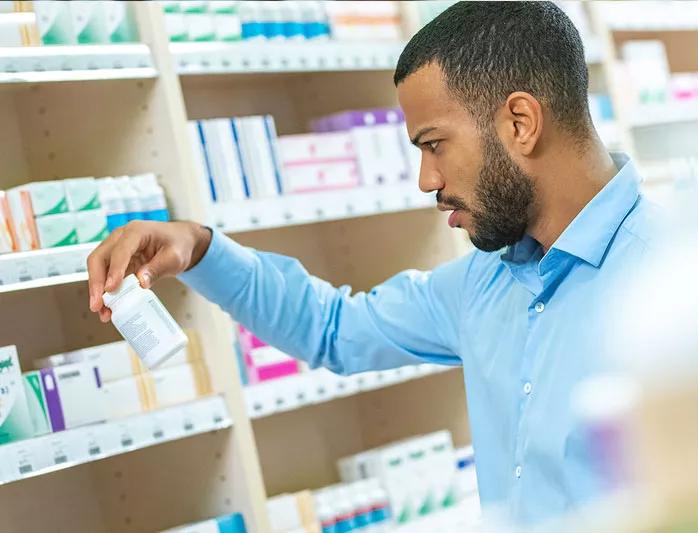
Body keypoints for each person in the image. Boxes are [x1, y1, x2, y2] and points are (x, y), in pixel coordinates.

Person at [87, 2, 657, 527]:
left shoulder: (677, 281)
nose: (427, 181)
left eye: (434, 144)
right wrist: (197, 246)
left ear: (520, 123)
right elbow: (335, 328)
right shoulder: (485, 282)